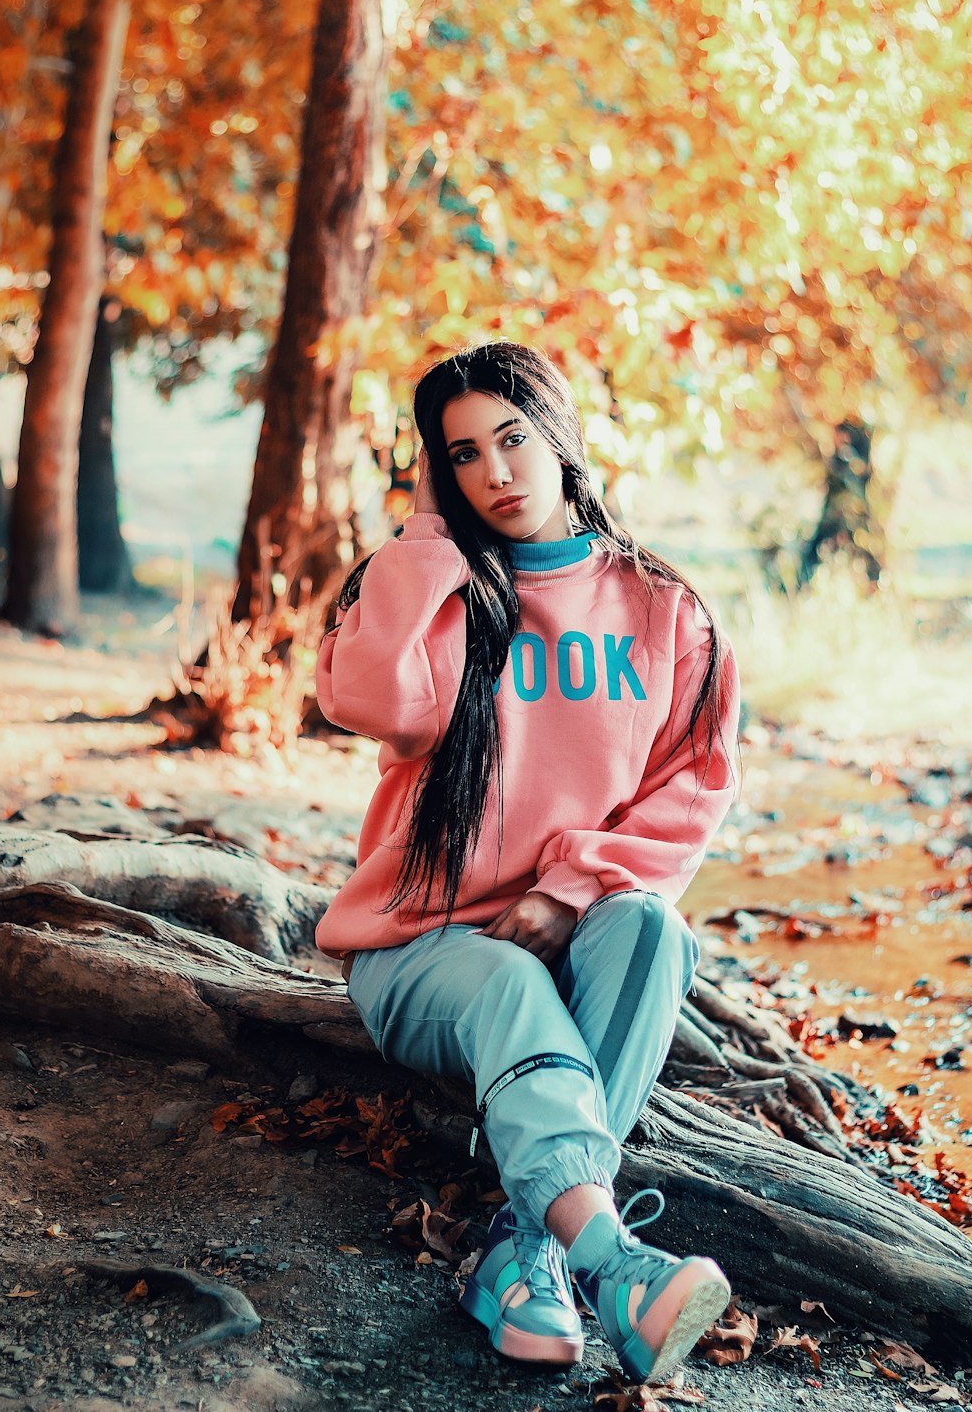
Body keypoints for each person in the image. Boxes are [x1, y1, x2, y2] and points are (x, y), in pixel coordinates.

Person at [314, 341, 740, 1385]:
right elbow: (377, 706)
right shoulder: (439, 594)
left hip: (573, 936)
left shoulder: (662, 608)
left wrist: (570, 889)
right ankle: (613, 1264)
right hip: (423, 953)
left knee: (648, 928)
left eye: (512, 439)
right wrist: (423, 540)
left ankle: (522, 1251)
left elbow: (691, 789)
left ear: (558, 435)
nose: (496, 473)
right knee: (503, 976)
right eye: (460, 455)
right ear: (436, 472)